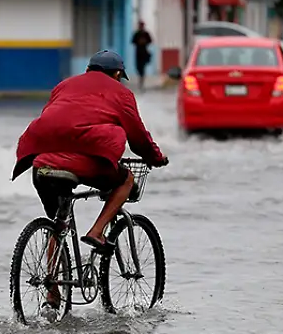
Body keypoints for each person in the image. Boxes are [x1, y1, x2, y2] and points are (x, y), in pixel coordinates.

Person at [12, 50, 168, 255]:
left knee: (59, 224)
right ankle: (97, 231)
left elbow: (53, 120)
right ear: (117, 75)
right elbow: (138, 138)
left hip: (43, 163)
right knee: (126, 179)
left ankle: (51, 284)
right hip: (84, 163)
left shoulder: (63, 86)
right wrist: (156, 158)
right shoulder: (121, 93)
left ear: (87, 70)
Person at [130, 22, 153, 90]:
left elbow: (150, 41)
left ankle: (141, 81)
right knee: (138, 67)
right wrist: (138, 42)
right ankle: (141, 78)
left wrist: (145, 41)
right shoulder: (136, 34)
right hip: (138, 53)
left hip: (144, 53)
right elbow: (132, 41)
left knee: (143, 67)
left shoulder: (146, 34)